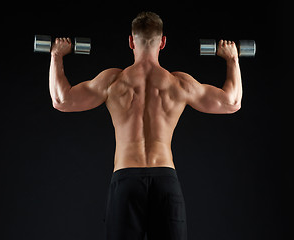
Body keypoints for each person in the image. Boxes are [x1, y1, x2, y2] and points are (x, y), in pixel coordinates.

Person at [49, 11, 242, 240]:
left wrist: (56, 55)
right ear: (163, 42)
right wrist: (232, 59)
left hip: (125, 181)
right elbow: (232, 102)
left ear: (131, 41)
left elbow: (61, 100)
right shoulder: (179, 84)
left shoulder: (113, 81)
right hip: (165, 181)